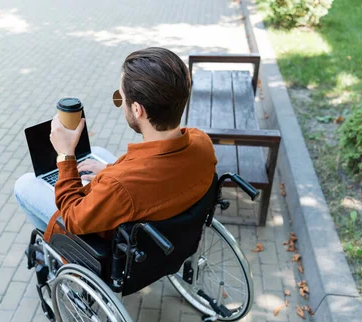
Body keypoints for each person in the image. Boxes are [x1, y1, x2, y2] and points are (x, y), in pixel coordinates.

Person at [14, 47, 217, 242]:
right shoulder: (202, 143)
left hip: (113, 244)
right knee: (98, 152)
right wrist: (111, 170)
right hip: (172, 232)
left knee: (24, 185)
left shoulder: (121, 187)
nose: (120, 104)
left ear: (137, 110)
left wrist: (66, 155)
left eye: (121, 98)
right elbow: (149, 174)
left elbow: (73, 218)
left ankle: (53, 249)